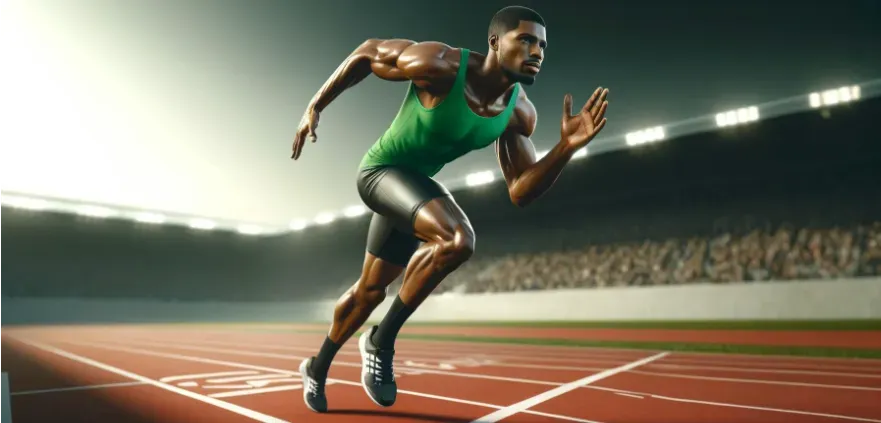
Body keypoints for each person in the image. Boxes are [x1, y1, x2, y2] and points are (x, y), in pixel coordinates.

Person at [290, 5, 608, 413]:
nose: (537, 52)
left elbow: (520, 191)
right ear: (495, 42)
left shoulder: (519, 112)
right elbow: (368, 53)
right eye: (525, 40)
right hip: (380, 173)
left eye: (543, 45)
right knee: (457, 238)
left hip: (413, 190)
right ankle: (381, 340)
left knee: (369, 291)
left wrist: (564, 148)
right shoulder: (440, 65)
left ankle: (316, 367)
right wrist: (315, 104)